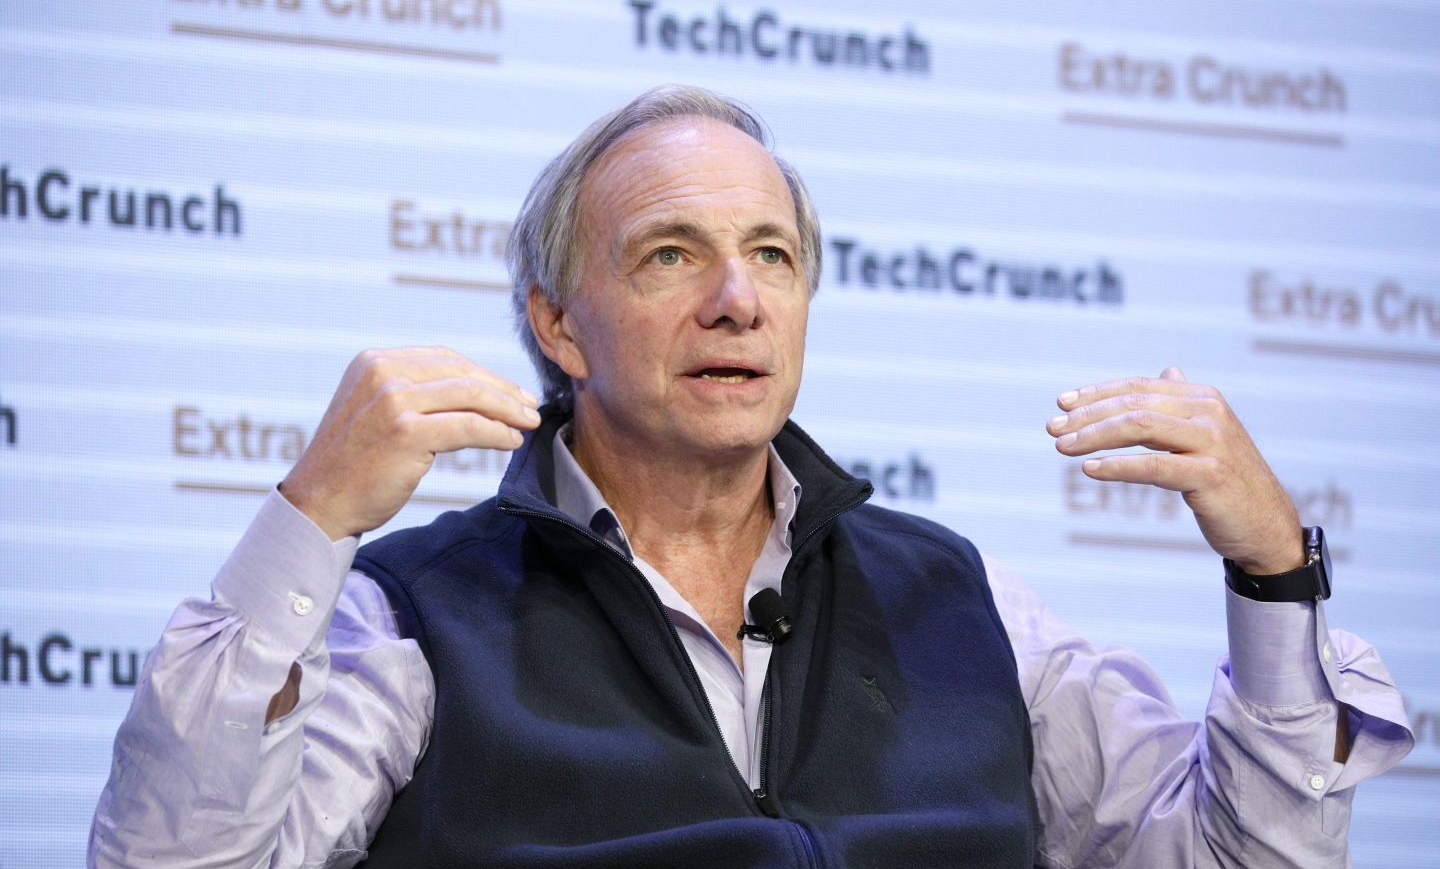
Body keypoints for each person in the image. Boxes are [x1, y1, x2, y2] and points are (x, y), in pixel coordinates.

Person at [90, 86, 1412, 868]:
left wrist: (1272, 577)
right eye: (669, 255)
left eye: (771, 256)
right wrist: (311, 519)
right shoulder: (411, 614)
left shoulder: (960, 596)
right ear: (559, 325)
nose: (737, 301)